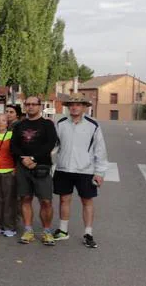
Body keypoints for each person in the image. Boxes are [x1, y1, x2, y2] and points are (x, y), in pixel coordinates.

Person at [53, 93, 108, 249]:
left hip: (86, 170)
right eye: (71, 105)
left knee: (87, 201)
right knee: (64, 199)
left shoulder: (93, 125)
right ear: (68, 107)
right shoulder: (61, 123)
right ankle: (63, 231)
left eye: (78, 104)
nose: (74, 107)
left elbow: (100, 150)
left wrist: (100, 172)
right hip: (64, 168)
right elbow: (54, 145)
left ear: (84, 107)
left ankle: (88, 234)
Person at [10, 96, 58, 246]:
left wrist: (34, 159)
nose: (30, 107)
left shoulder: (47, 125)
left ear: (40, 106)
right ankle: (28, 230)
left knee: (46, 201)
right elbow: (13, 146)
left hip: (42, 167)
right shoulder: (19, 125)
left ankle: (47, 231)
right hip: (22, 167)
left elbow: (50, 144)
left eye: (33, 104)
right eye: (28, 104)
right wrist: (23, 158)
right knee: (25, 199)